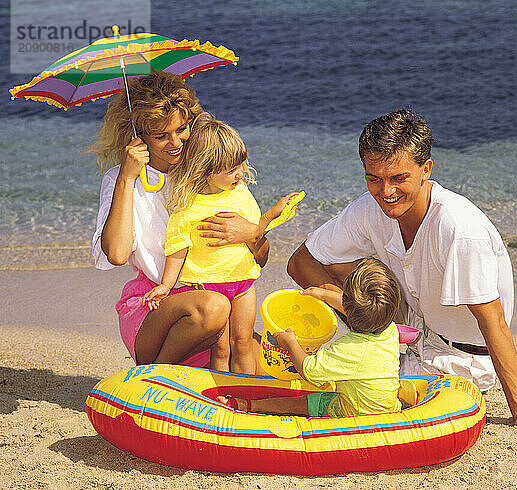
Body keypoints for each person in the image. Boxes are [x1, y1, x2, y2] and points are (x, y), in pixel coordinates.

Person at [286, 109, 517, 431]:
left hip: (459, 360)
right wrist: (356, 308)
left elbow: (493, 320)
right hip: (402, 334)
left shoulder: (458, 228)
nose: (386, 192)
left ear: (426, 169)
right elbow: (301, 262)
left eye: (399, 178)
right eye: (375, 178)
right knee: (315, 296)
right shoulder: (369, 207)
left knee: (342, 393)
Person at [91, 71, 265, 368]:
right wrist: (126, 176)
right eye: (161, 135)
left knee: (263, 360)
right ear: (138, 135)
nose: (175, 143)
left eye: (181, 129)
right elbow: (117, 254)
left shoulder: (213, 172)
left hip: (214, 317)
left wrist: (251, 233)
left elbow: (257, 261)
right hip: (155, 312)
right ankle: (153, 375)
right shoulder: (122, 180)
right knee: (213, 307)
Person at [142, 117, 298, 374]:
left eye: (241, 165)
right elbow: (178, 248)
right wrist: (166, 285)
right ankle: (221, 394)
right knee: (221, 349)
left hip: (243, 282)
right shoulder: (188, 206)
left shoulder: (240, 193)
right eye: (231, 170)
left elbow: (254, 229)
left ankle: (247, 393)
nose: (240, 173)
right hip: (209, 285)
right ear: (205, 171)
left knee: (243, 343)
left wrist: (272, 215)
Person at [218, 257, 407, 417]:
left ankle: (247, 406)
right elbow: (356, 309)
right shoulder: (388, 329)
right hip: (385, 405)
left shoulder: (350, 349)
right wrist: (324, 294)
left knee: (301, 403)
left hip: (354, 412)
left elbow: (308, 370)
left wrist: (290, 343)